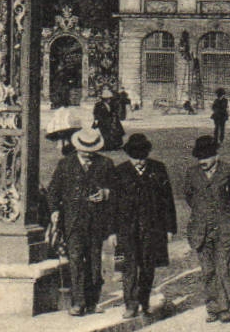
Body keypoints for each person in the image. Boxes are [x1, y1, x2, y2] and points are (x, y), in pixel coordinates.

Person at [47, 127, 114, 316]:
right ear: (77, 147)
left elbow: (117, 189)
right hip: (73, 221)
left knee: (94, 262)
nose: (88, 154)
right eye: (84, 150)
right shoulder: (65, 165)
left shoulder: (105, 164)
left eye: (92, 150)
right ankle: (78, 302)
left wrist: (105, 193)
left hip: (96, 221)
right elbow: (53, 191)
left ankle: (93, 300)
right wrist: (54, 211)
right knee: (75, 260)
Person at [111, 133, 176, 318]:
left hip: (152, 228)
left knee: (148, 266)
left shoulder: (158, 169)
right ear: (129, 155)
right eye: (135, 157)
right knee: (129, 267)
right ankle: (131, 305)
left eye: (142, 157)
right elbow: (112, 205)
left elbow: (167, 200)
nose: (139, 161)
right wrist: (112, 231)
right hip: (126, 229)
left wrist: (170, 228)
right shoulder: (120, 172)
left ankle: (144, 301)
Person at [184, 135, 230, 323]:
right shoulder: (192, 173)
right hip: (201, 230)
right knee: (208, 270)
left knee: (222, 268)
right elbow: (189, 197)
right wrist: (202, 212)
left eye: (206, 158)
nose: (202, 162)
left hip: (225, 228)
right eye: (199, 158)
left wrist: (226, 210)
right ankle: (212, 308)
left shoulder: (229, 170)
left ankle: (224, 309)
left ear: (215, 156)